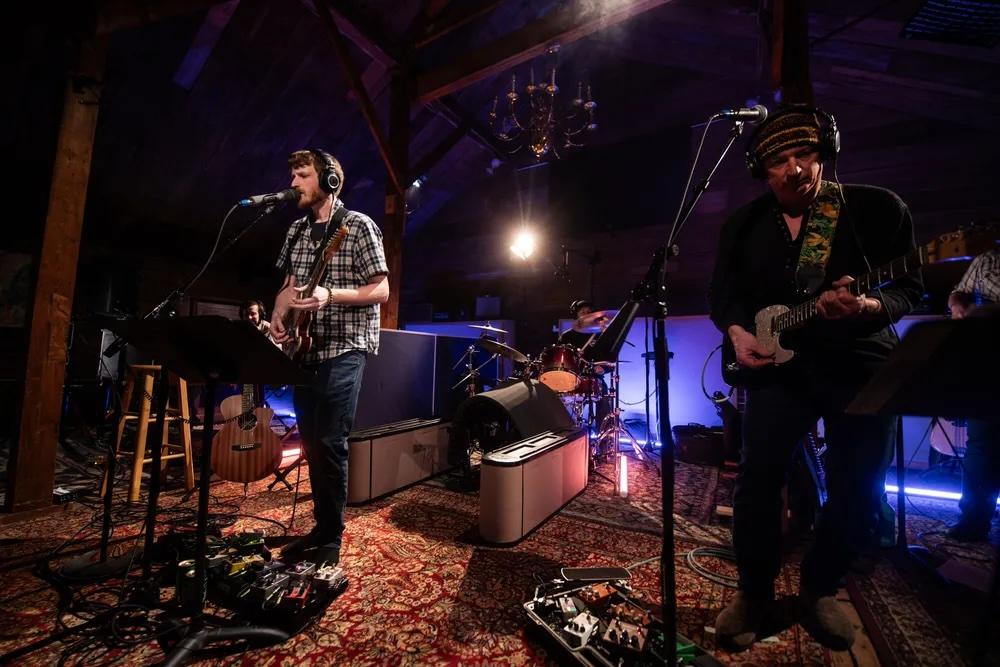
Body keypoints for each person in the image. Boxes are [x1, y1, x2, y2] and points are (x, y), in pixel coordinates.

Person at [708, 106, 922, 651]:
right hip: (782, 368)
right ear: (763, 170)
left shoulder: (877, 208)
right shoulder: (744, 224)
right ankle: (754, 590)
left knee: (857, 479)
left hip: (859, 362)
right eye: (779, 161)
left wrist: (867, 304)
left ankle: (820, 587)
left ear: (825, 152)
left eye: (804, 154)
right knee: (757, 478)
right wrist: (737, 333)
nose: (794, 169)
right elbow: (724, 296)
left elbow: (909, 287)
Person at [270, 149, 389, 566]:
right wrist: (277, 319)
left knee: (328, 441)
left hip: (346, 345)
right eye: (293, 175)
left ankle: (331, 536)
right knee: (310, 443)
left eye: (302, 175)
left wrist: (330, 294)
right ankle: (320, 528)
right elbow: (288, 285)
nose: (294, 183)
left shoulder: (357, 227)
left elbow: (381, 290)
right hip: (303, 350)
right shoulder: (296, 231)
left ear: (330, 181)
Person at [945, 247, 1000, 542]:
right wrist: (959, 308)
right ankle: (974, 522)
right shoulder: (988, 259)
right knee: (981, 444)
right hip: (991, 362)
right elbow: (959, 294)